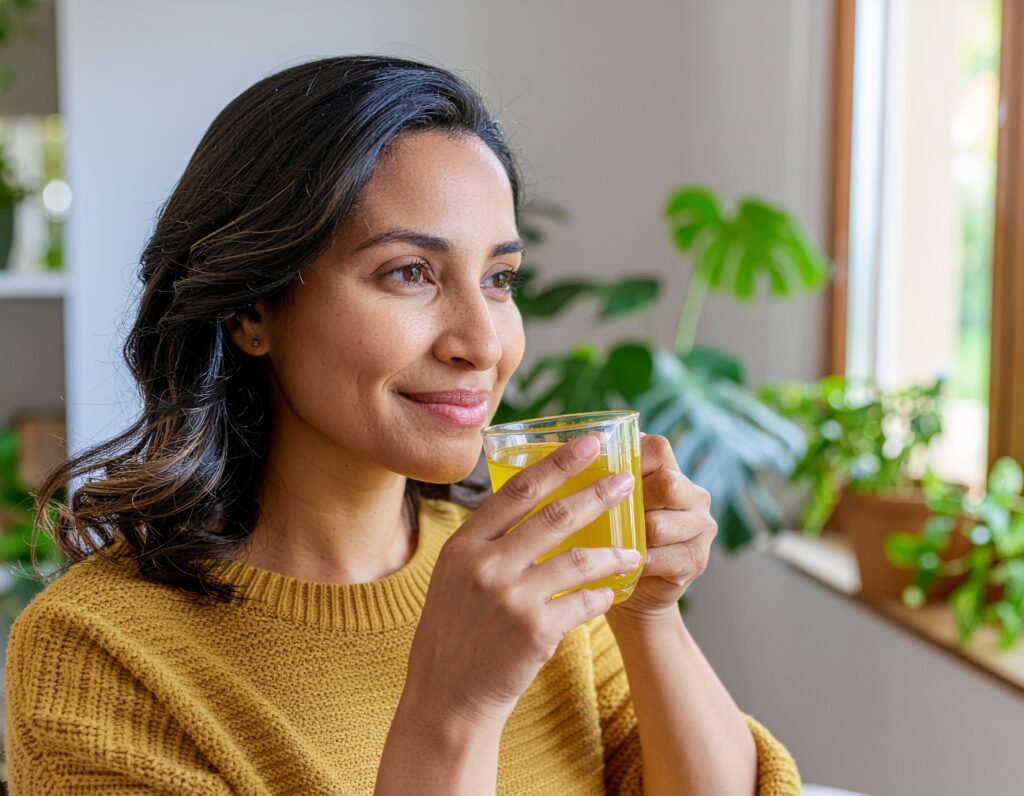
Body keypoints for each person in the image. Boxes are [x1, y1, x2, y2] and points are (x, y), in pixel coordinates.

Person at [4, 56, 800, 794]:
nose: (484, 343)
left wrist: (646, 614)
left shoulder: (522, 578)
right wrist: (455, 708)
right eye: (410, 272)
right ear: (253, 308)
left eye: (498, 278)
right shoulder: (98, 653)